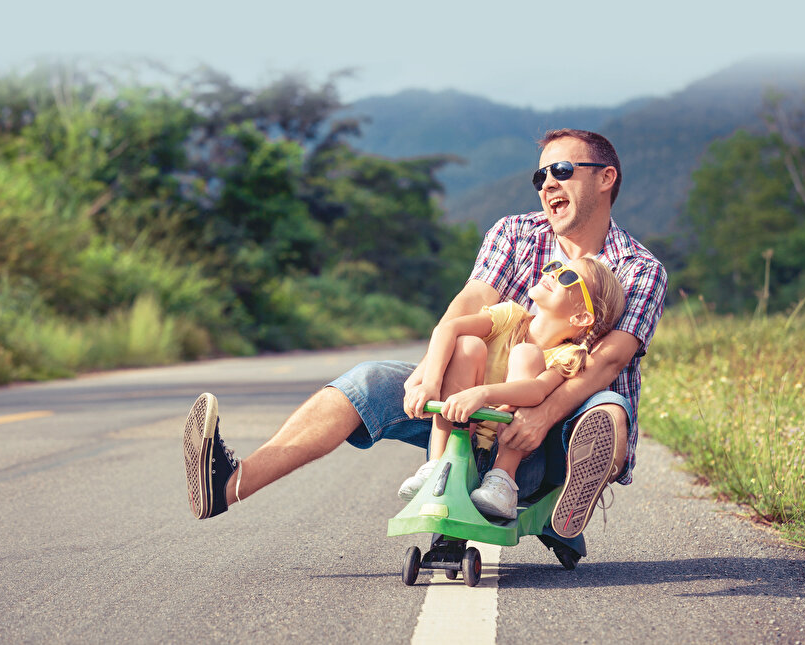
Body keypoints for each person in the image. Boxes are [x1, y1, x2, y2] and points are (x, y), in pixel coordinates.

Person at [182, 128, 667, 542]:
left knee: (608, 408)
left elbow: (606, 362)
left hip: (553, 436)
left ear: (606, 178)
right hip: (474, 410)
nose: (547, 185)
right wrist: (430, 375)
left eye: (562, 170)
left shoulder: (638, 269)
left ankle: (564, 499)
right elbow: (467, 308)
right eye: (540, 176)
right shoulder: (516, 233)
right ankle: (228, 485)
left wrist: (541, 415)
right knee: (368, 380)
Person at [398, 257, 625, 521]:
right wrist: (430, 383)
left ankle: (502, 481)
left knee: (526, 354)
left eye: (567, 278)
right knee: (467, 345)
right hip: (460, 445)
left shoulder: (570, 355)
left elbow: (538, 391)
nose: (553, 274)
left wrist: (483, 393)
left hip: (515, 460)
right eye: (555, 267)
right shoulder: (509, 315)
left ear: (581, 316)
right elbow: (448, 328)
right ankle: (437, 466)